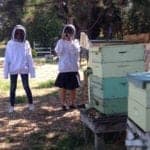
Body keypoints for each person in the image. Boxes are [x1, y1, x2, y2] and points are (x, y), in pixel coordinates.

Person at [4, 24, 35, 113]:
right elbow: (7, 58)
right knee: (13, 88)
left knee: (26, 87)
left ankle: (31, 104)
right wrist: (6, 73)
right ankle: (11, 106)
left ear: (23, 34)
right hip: (13, 69)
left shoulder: (26, 43)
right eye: (17, 33)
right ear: (14, 33)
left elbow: (29, 57)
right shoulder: (10, 43)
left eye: (21, 33)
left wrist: (32, 72)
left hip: (24, 69)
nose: (19, 35)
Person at [55, 24, 80, 110]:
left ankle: (72, 103)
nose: (68, 34)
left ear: (73, 33)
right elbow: (58, 52)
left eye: (70, 32)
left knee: (73, 88)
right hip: (64, 69)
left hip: (73, 68)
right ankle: (63, 104)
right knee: (63, 88)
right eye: (67, 32)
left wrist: (70, 41)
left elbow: (77, 51)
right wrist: (63, 40)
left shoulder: (76, 42)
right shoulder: (60, 42)